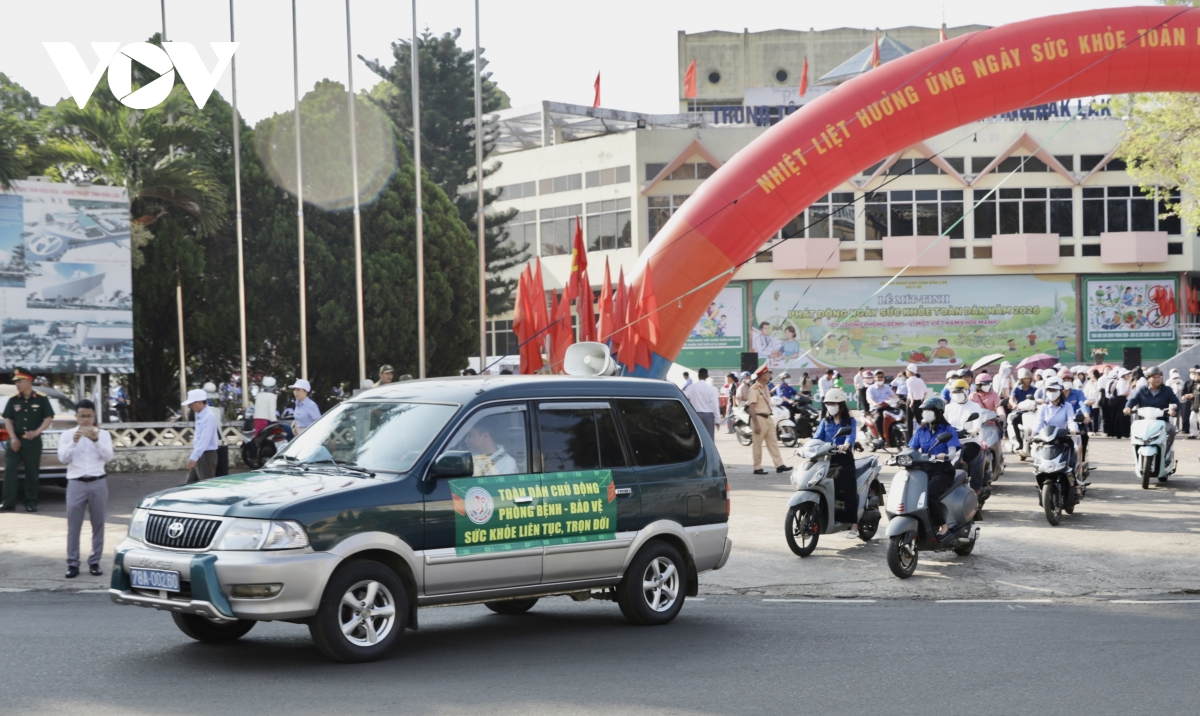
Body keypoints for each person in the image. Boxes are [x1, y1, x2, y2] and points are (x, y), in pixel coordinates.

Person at [56, 399, 113, 578]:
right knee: (74, 525)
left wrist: (96, 441)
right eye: (82, 416)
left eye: (89, 416)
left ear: (94, 416)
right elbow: (63, 459)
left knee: (98, 524)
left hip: (98, 481)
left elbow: (109, 457)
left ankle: (95, 561)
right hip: (76, 482)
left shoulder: (103, 434)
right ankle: (73, 563)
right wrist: (74, 442)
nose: (86, 420)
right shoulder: (67, 435)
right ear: (76, 416)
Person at [908, 396, 961, 538]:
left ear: (938, 412)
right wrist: (898, 457)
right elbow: (911, 449)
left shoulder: (948, 429)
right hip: (924, 470)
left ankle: (943, 525)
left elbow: (952, 452)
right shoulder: (921, 430)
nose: (924, 413)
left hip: (943, 471)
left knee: (929, 494)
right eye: (924, 410)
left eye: (929, 410)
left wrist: (945, 455)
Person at [2, 369, 54, 513]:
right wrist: (13, 438)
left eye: (20, 381)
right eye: (16, 382)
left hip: (33, 441)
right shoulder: (13, 399)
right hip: (15, 440)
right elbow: (8, 420)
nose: (17, 384)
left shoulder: (41, 399)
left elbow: (48, 418)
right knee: (10, 470)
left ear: (29, 381)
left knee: (32, 472)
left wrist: (37, 432)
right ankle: (8, 502)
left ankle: (31, 502)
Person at [812, 388, 859, 536]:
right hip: (826, 458)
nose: (830, 406)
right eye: (828, 404)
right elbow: (817, 438)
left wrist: (846, 444)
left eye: (833, 403)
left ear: (841, 404)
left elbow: (850, 436)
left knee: (845, 487)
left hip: (844, 458)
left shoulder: (850, 421)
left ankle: (854, 525)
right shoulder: (825, 421)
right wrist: (804, 447)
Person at [1032, 378, 1083, 485]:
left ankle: (1077, 482)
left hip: (1063, 438)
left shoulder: (1067, 406)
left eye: (1054, 390)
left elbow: (1071, 420)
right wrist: (1034, 434)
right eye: (1049, 390)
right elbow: (1038, 423)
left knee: (1076, 451)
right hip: (1047, 439)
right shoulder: (1043, 407)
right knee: (1036, 455)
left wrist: (1073, 429)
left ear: (1060, 391)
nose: (1051, 392)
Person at [1125, 366, 1179, 458]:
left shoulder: (1167, 390)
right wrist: (1128, 407)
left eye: (1159, 377)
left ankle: (1166, 453)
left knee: (1172, 430)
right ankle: (1137, 455)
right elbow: (1133, 400)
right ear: (1148, 379)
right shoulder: (1142, 390)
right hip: (1145, 422)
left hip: (1162, 421)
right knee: (1134, 429)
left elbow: (1175, 402)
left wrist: (1173, 410)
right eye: (1154, 377)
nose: (1157, 379)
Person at [748, 368, 789, 475]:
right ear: (762, 376)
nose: (770, 376)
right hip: (759, 418)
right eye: (768, 374)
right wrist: (756, 424)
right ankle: (757, 467)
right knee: (757, 445)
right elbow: (752, 407)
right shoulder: (754, 389)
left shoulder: (766, 387)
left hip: (768, 417)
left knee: (773, 442)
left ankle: (779, 465)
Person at [184, 388, 219, 484]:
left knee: (206, 485)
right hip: (200, 453)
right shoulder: (200, 415)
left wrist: (194, 457)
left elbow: (204, 439)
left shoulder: (208, 416)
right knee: (189, 485)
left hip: (206, 455)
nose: (190, 407)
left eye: (191, 404)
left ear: (199, 402)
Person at [683, 368, 721, 439]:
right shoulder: (713, 389)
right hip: (708, 416)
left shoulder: (690, 388)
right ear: (707, 376)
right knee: (709, 438)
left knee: (696, 438)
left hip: (695, 415)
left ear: (698, 376)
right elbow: (715, 405)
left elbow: (683, 397)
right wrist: (717, 420)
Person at [865, 370, 896, 440]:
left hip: (888, 407)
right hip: (876, 409)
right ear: (874, 378)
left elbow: (893, 395)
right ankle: (880, 436)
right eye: (878, 377)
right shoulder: (871, 388)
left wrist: (899, 401)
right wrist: (875, 404)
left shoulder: (887, 387)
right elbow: (869, 399)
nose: (880, 378)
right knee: (879, 417)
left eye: (881, 377)